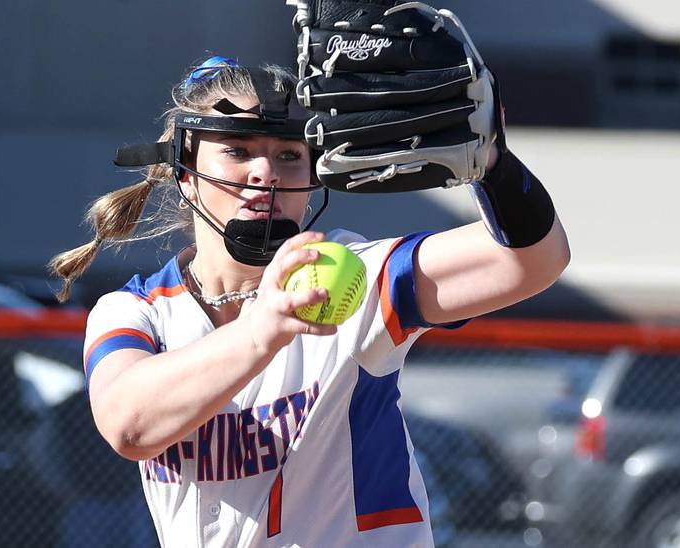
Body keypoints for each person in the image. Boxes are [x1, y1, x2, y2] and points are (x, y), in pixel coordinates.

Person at [50, 55, 569, 547]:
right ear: (186, 174)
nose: (265, 172)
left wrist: (492, 164)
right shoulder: (137, 310)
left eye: (289, 155)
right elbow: (129, 425)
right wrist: (260, 331)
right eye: (237, 150)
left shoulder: (352, 274)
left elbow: (534, 260)